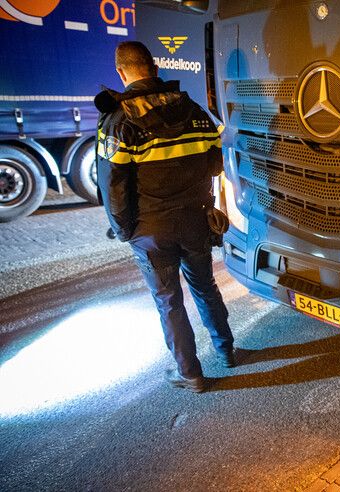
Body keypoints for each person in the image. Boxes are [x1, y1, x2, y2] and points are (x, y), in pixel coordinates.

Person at [95, 41, 235, 393]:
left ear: (121, 72)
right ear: (154, 68)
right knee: (205, 286)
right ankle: (226, 349)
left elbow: (113, 187)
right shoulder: (194, 110)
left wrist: (124, 230)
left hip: (151, 229)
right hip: (194, 220)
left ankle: (190, 373)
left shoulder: (119, 121)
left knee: (169, 300)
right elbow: (215, 164)